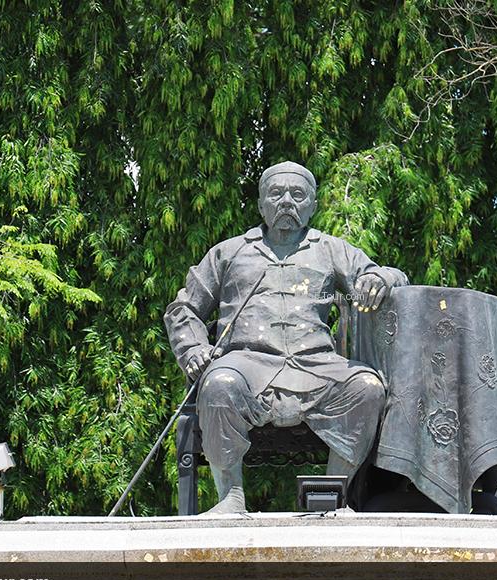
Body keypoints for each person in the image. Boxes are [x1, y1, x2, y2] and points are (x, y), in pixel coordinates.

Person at [164, 161, 407, 513]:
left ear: (312, 205)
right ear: (261, 205)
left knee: (367, 388)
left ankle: (333, 496)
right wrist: (195, 349)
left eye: (297, 195)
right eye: (276, 195)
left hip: (316, 365)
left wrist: (382, 278)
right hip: (246, 365)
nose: (287, 202)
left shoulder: (330, 249)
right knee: (219, 383)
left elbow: (384, 275)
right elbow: (183, 309)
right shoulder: (229, 252)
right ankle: (230, 498)